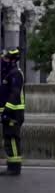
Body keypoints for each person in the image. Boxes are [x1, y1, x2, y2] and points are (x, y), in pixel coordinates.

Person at [0, 48, 25, 176]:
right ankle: (11, 166)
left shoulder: (16, 74)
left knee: (13, 139)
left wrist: (7, 111)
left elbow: (14, 95)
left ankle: (15, 168)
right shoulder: (8, 74)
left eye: (5, 58)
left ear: (12, 60)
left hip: (14, 113)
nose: (3, 60)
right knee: (8, 140)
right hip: (8, 112)